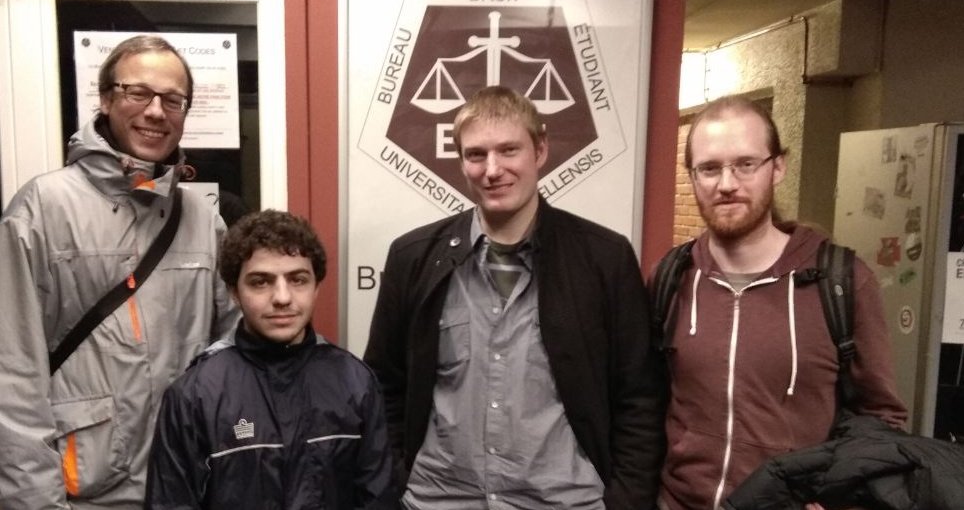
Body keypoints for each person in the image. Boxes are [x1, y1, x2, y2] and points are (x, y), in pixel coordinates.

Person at [363, 85, 666, 509]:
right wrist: (396, 480)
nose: (492, 169)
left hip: (562, 501)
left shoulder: (604, 258)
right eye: (476, 154)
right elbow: (384, 385)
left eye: (509, 150)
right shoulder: (413, 257)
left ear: (540, 150)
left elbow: (639, 396)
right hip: (439, 498)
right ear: (461, 161)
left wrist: (626, 501)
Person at [0, 35, 240, 508]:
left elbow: (231, 349)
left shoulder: (201, 218)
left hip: (186, 484)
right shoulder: (42, 208)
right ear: (107, 99)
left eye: (172, 100)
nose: (156, 111)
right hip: (86, 494)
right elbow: (13, 374)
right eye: (138, 93)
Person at [655, 95, 908, 510]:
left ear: (778, 167)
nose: (727, 183)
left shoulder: (841, 282)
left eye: (745, 164)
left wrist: (842, 500)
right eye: (710, 168)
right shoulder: (671, 277)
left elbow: (881, 419)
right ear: (693, 176)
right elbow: (647, 402)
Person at [145, 210, 395, 509]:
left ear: (316, 287)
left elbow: (378, 498)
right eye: (260, 282)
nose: (282, 297)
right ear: (234, 292)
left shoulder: (355, 382)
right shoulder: (194, 395)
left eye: (297, 280)